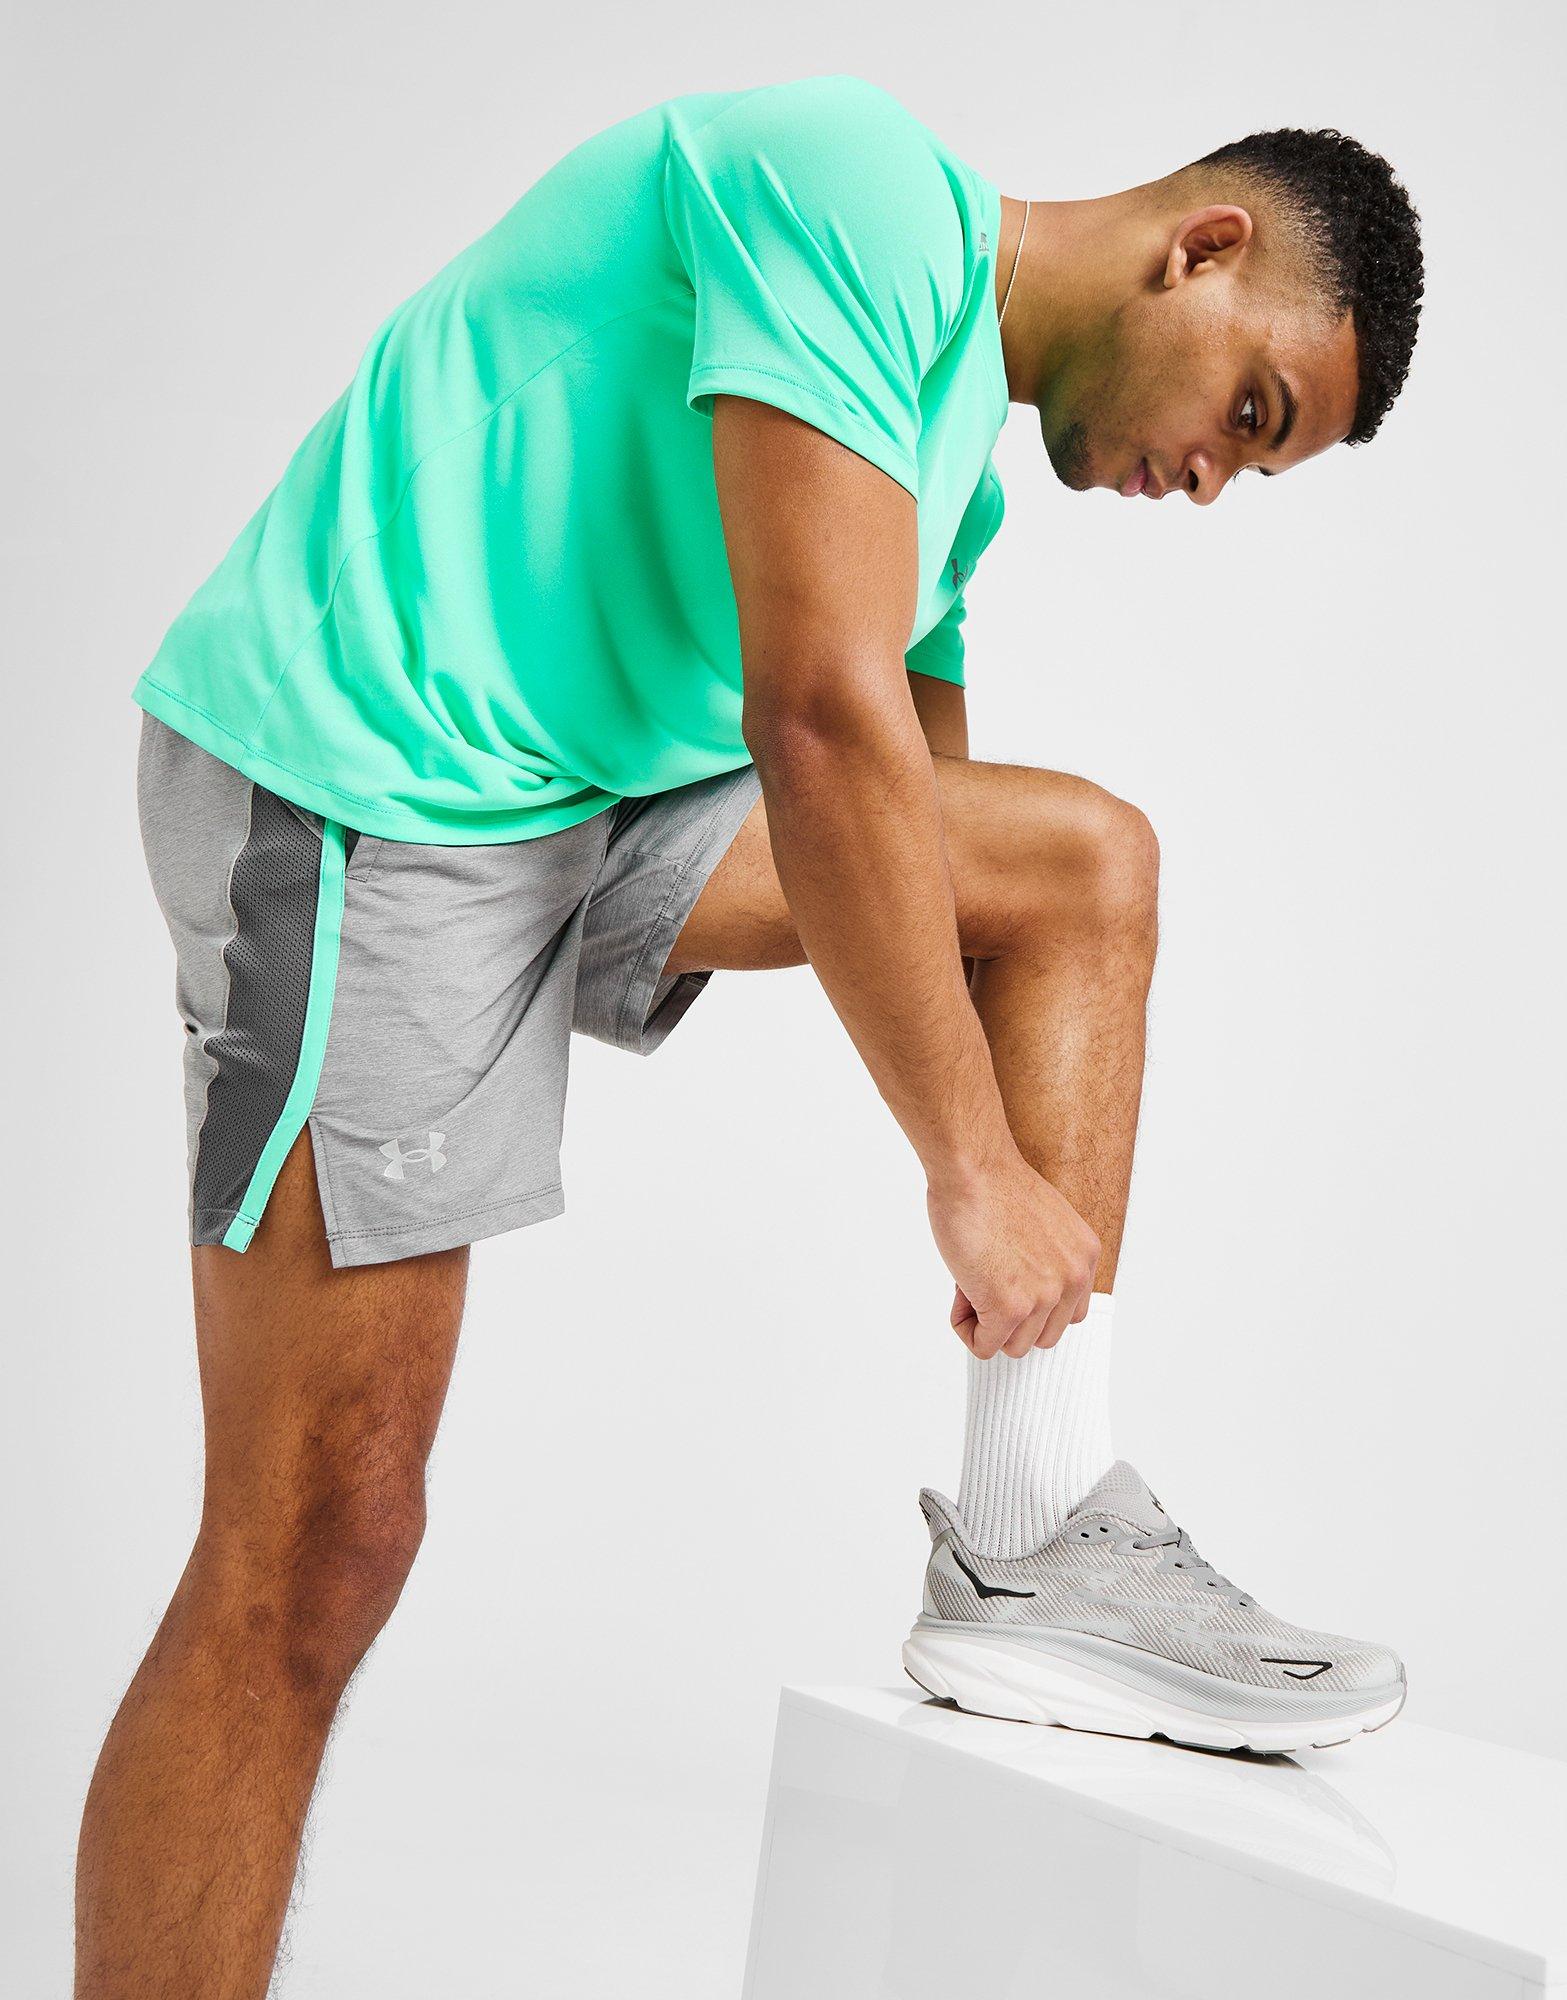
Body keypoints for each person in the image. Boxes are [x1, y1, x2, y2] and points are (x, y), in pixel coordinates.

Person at [77, 73, 1424, 1995]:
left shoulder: (949, 478)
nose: (1210, 477)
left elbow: (929, 868)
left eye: (1253, 465)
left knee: (1079, 868)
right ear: (1200, 251)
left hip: (570, 797)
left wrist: (986, 1172)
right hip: (371, 779)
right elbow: (816, 716)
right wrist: (970, 1175)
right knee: (318, 1543)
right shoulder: (856, 193)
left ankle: (1036, 1531)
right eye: (1252, 413)